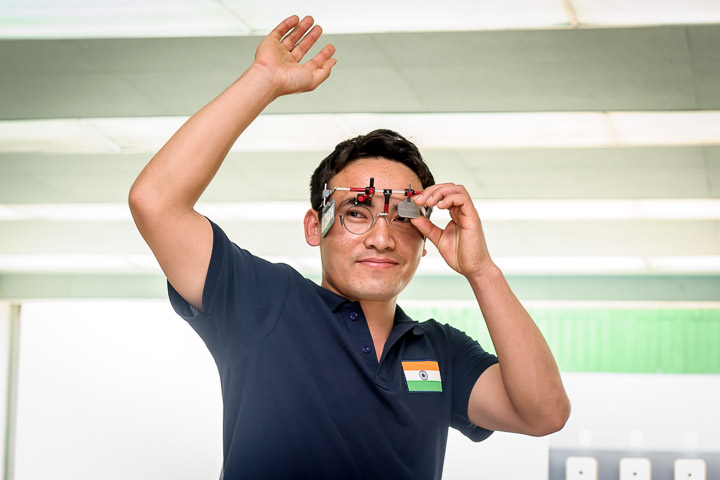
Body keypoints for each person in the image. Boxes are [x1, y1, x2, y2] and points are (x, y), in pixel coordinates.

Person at [129, 15, 570, 479]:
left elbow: (544, 414)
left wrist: (483, 271)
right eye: (356, 213)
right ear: (313, 225)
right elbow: (155, 202)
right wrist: (263, 80)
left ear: (425, 239)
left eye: (402, 216)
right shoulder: (262, 302)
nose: (381, 237)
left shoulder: (439, 351)